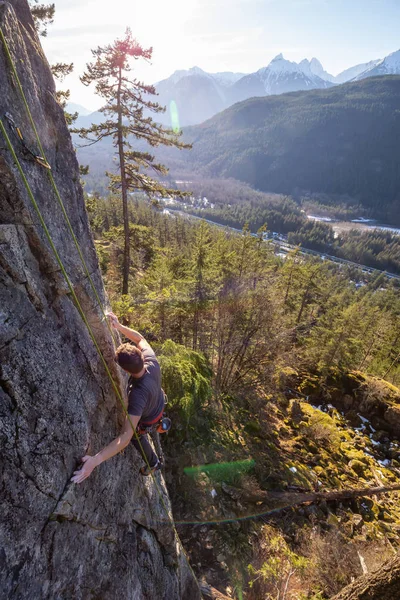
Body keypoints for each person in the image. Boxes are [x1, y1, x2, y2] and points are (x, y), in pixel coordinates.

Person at [71, 312, 165, 484]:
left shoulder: (137, 396)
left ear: (127, 372)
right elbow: (140, 338)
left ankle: (154, 463)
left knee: (136, 435)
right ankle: (160, 427)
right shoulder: (151, 360)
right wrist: (119, 327)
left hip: (149, 414)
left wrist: (94, 460)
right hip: (159, 400)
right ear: (140, 355)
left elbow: (125, 437)